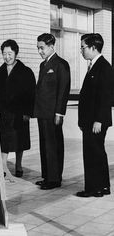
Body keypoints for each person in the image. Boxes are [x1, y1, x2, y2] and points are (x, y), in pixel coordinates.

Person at [76, 33, 114, 198]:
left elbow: (106, 96)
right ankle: (103, 186)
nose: (81, 50)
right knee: (97, 152)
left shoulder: (104, 67)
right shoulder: (95, 65)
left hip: (96, 120)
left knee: (93, 153)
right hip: (91, 120)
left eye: (83, 47)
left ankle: (94, 188)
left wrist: (99, 120)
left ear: (93, 47)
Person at [0, 39, 36, 181]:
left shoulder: (26, 71)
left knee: (20, 139)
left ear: (16, 53)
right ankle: (3, 166)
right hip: (4, 113)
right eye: (4, 54)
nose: (7, 57)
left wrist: (27, 112)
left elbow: (31, 93)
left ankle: (19, 165)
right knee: (4, 140)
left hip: (20, 112)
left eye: (10, 53)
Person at [34, 33, 70, 190]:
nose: (40, 51)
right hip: (42, 112)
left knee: (53, 145)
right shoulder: (43, 65)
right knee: (44, 145)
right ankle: (47, 176)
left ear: (51, 46)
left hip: (53, 113)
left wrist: (59, 113)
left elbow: (63, 90)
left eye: (42, 48)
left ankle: (55, 179)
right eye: (38, 48)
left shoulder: (61, 64)